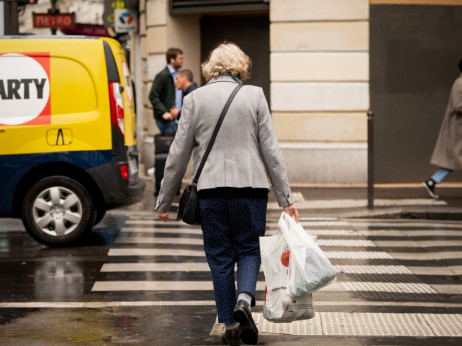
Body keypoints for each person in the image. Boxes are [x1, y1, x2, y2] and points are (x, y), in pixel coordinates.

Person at [154, 42, 299, 345]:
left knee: (219, 256)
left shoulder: (194, 99)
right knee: (248, 248)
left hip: (211, 190)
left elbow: (178, 153)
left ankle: (230, 325)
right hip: (251, 189)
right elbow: (271, 151)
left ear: (210, 68)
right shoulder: (255, 95)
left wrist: (165, 200)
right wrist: (286, 199)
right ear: (240, 66)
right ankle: (244, 299)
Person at [423, 58, 462, 199]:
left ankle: (432, 181)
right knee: (454, 159)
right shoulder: (459, 84)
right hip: (458, 130)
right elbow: (458, 106)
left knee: (453, 160)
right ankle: (431, 181)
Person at [148, 47, 184, 134]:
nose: (182, 60)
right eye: (180, 58)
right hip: (168, 120)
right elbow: (153, 95)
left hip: (178, 118)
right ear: (172, 60)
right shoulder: (163, 76)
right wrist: (164, 112)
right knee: (169, 146)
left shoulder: (180, 74)